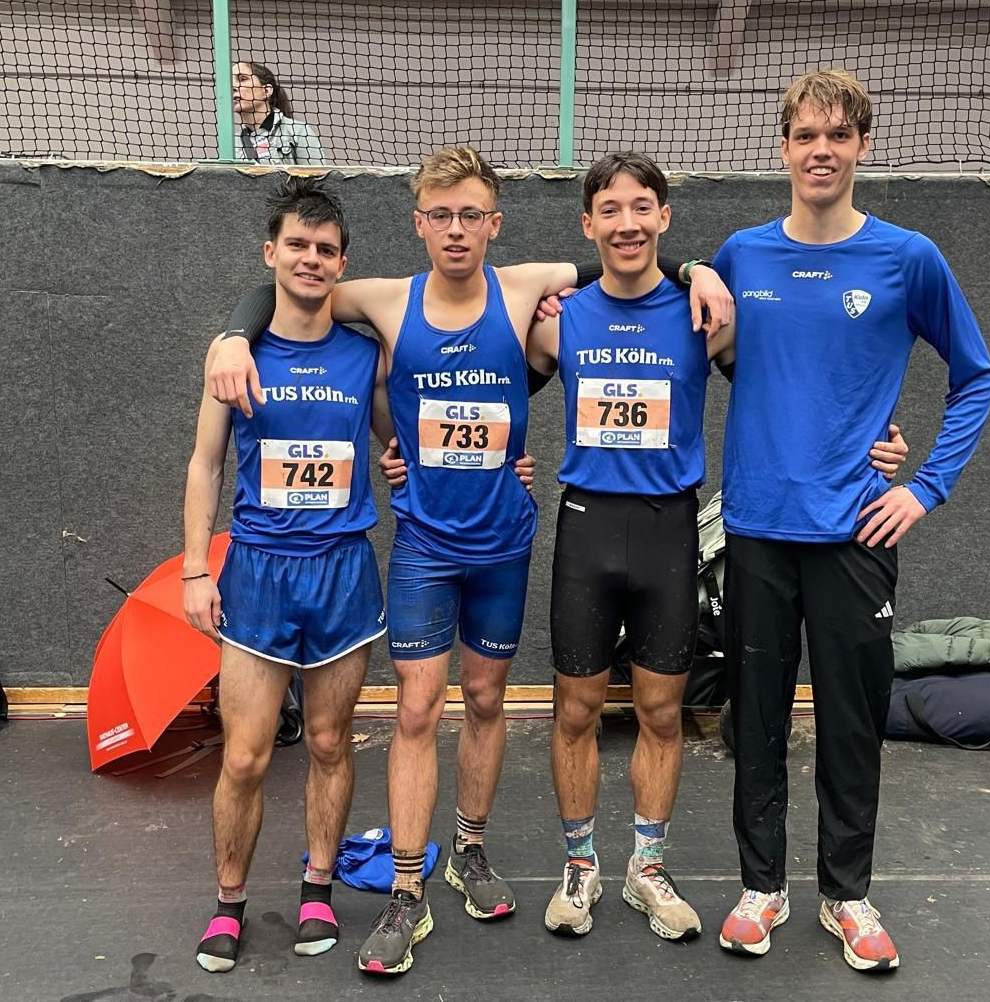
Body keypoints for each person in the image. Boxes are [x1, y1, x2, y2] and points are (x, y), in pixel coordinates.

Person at [205, 146, 733, 975]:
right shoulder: (384, 298)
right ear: (419, 224)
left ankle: (470, 852)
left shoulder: (523, 289)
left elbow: (624, 250)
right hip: (423, 544)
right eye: (441, 215)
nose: (456, 229)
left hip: (504, 542)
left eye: (471, 215)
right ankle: (405, 890)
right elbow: (293, 289)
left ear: (494, 223)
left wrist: (694, 267)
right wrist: (234, 334)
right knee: (417, 709)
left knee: (486, 699)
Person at [380, 152, 908, 943]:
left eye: (640, 208)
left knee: (662, 711)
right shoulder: (555, 320)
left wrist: (873, 441)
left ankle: (646, 869)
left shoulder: (704, 315)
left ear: (663, 217)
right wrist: (404, 453)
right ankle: (580, 865)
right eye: (609, 210)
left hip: (667, 529)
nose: (625, 223)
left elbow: (789, 387)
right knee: (574, 711)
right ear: (586, 224)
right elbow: (472, 390)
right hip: (586, 528)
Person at [712, 69, 990, 972]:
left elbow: (976, 376)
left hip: (856, 534)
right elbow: (713, 356)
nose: (821, 151)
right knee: (756, 720)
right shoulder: (739, 256)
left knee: (848, 722)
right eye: (805, 135)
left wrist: (923, 486)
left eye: (838, 135)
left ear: (863, 146)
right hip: (757, 528)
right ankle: (760, 888)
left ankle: (845, 895)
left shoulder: (907, 257)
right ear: (783, 148)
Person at [183, 176, 391, 972]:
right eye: (297, 245)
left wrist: (497, 466)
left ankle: (317, 889)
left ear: (342, 263)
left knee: (331, 742)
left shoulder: (365, 356)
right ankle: (228, 902)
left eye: (325, 249)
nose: (311, 258)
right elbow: (205, 465)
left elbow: (399, 443)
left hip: (342, 573)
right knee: (244, 756)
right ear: (270, 253)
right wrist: (195, 570)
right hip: (260, 574)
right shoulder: (233, 356)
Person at [233, 61, 324, 165]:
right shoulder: (232, 145)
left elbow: (317, 175)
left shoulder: (298, 131)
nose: (233, 86)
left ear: (266, 91)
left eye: (243, 79)